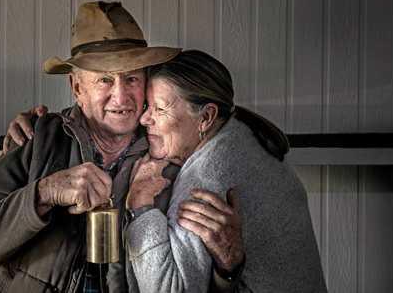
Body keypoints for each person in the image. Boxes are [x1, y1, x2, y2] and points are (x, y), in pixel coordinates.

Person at [0, 1, 183, 293]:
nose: (121, 96)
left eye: (132, 78)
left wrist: (227, 272)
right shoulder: (38, 138)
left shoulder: (168, 149)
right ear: (76, 88)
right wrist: (44, 193)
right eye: (105, 79)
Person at [124, 50, 327, 292]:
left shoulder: (206, 177)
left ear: (206, 117)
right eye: (147, 106)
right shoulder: (240, 135)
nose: (145, 119)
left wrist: (141, 206)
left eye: (159, 109)